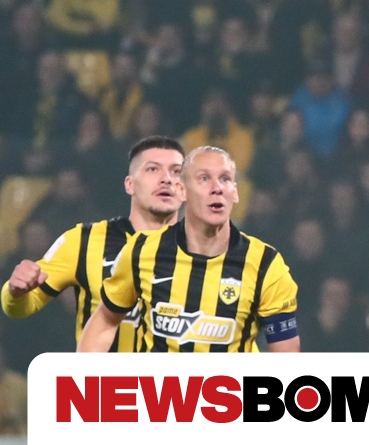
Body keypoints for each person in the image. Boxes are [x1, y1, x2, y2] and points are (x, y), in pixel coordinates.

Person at [78, 146, 300, 353]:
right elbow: (106, 320)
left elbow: (285, 355)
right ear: (181, 190)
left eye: (225, 179)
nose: (217, 188)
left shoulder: (265, 264)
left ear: (235, 192)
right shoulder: (143, 251)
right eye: (204, 178)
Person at [2, 136, 185, 352]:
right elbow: (21, 308)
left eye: (176, 171)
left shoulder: (212, 252)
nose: (166, 179)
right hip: (102, 374)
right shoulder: (83, 241)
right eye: (153, 169)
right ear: (130, 184)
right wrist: (14, 292)